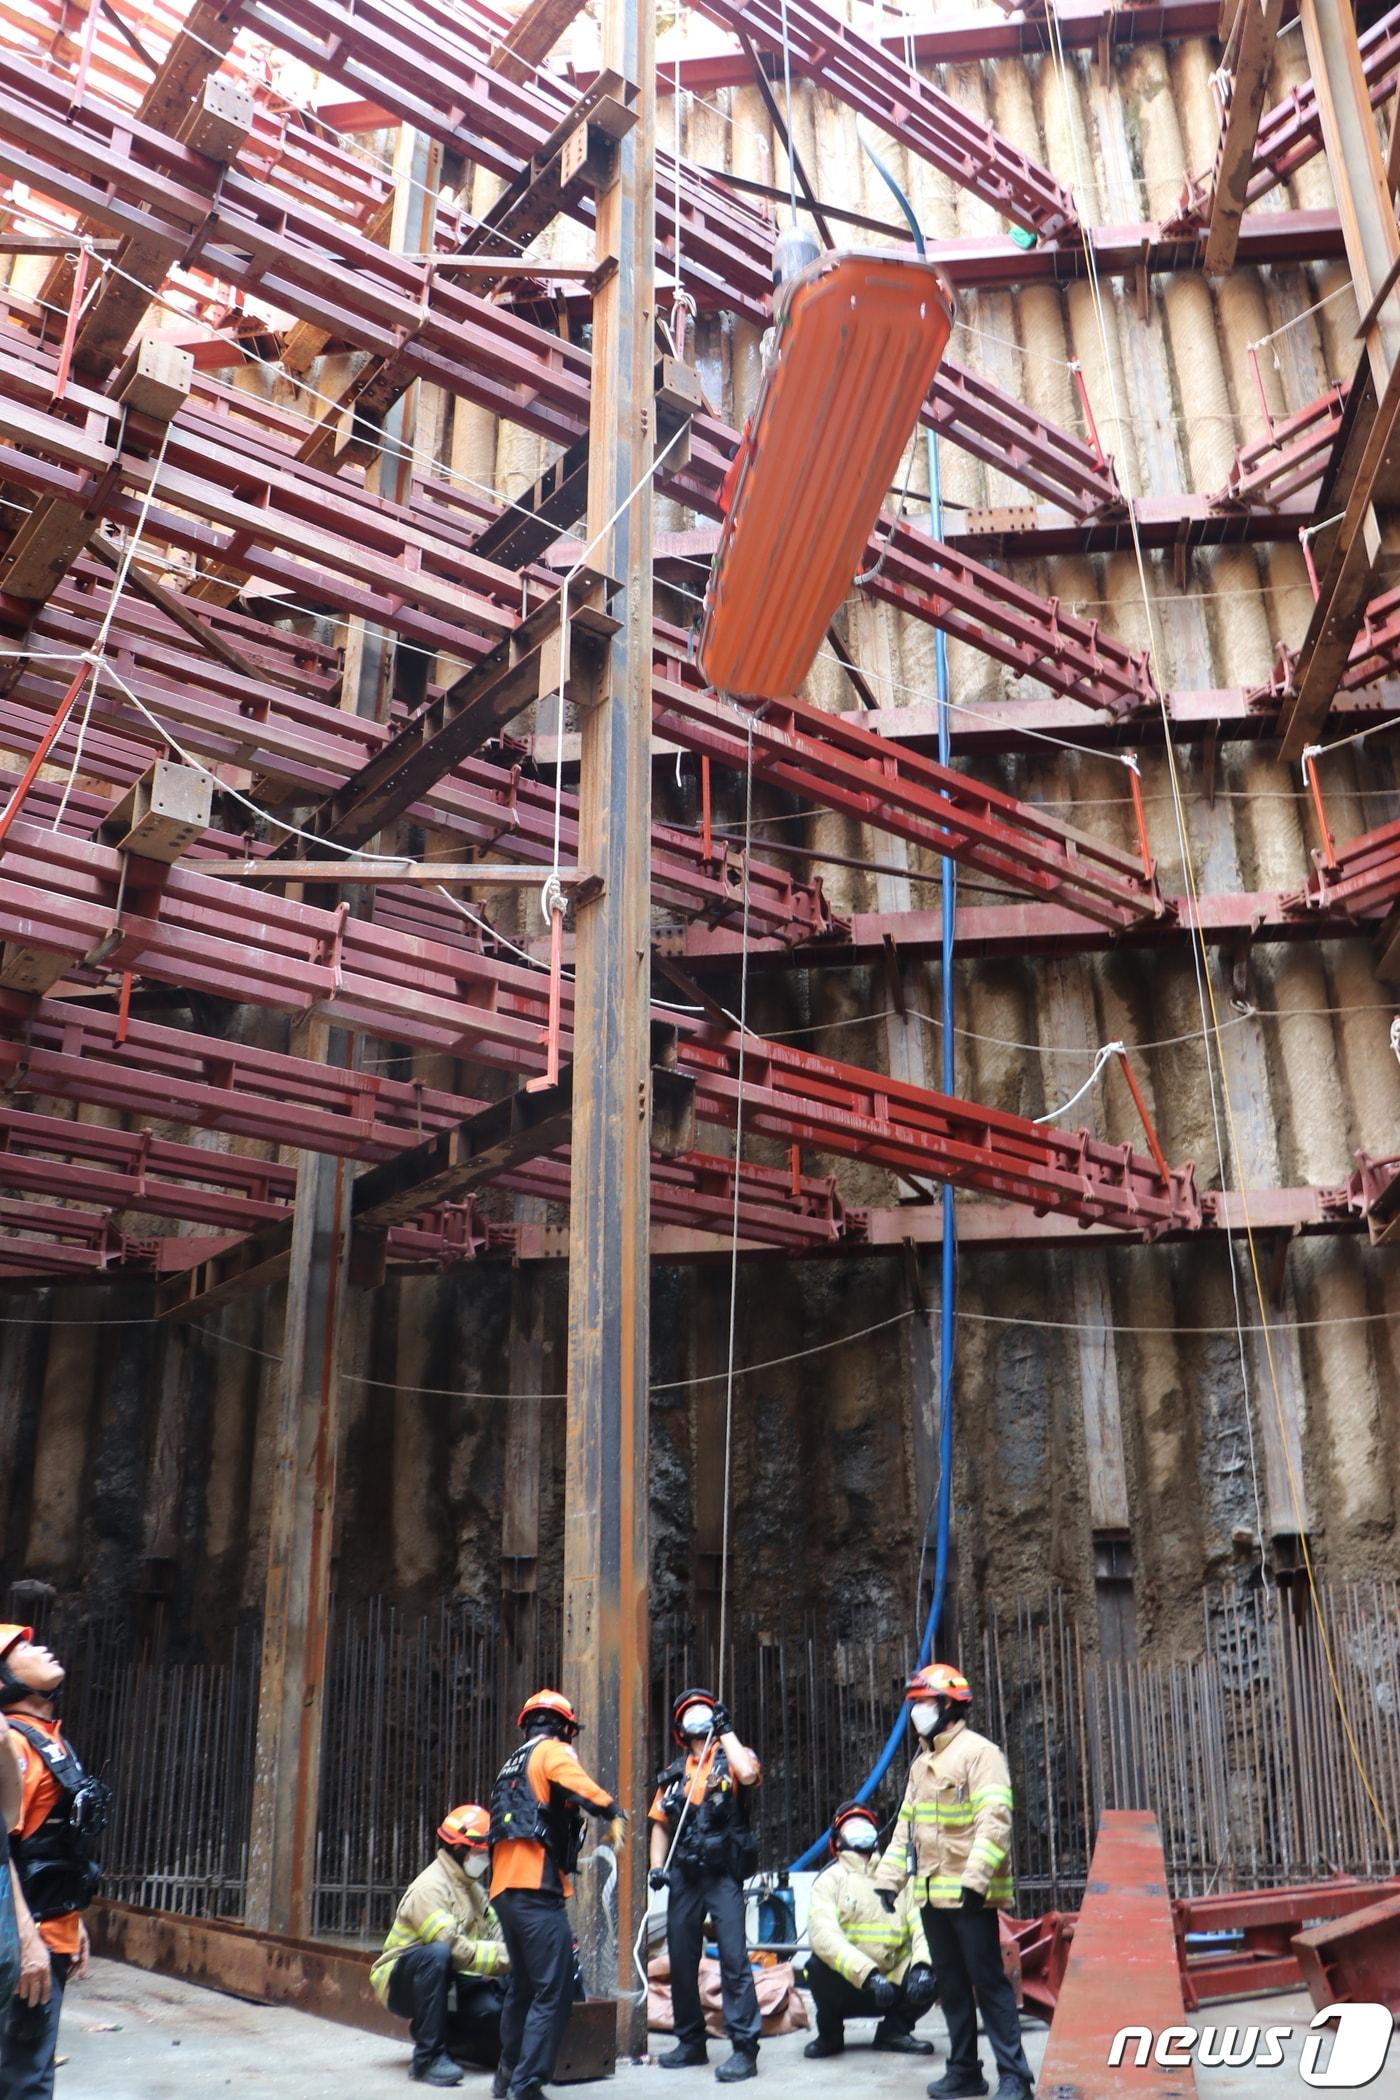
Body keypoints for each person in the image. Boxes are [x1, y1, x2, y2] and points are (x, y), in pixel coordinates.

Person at [873, 1663, 1034, 2100]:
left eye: (923, 1702)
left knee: (989, 1983)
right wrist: (889, 1881)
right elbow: (906, 1828)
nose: (917, 1711)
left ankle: (1015, 2077)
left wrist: (976, 1877)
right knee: (952, 1987)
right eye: (915, 1704)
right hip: (930, 1895)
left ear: (948, 1704)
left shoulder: (980, 1754)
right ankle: (964, 2070)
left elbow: (995, 1819)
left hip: (969, 1897)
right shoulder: (922, 1764)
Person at [488, 1690, 624, 2100]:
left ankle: (507, 2076)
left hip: (505, 1890)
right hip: (535, 1889)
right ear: (563, 1728)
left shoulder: (510, 1765)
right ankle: (526, 2086)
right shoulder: (550, 1753)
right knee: (556, 1988)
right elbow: (579, 1785)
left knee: (524, 1987)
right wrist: (611, 1809)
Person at [0, 1624, 110, 2100]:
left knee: (33, 2071)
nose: (39, 1647)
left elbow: (52, 1846)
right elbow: (3, 1853)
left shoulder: (48, 1739)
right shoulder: (17, 1748)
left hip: (53, 1928)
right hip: (30, 1942)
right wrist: (27, 1941)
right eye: (21, 1649)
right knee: (24, 2082)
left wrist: (72, 1917)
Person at [648, 1687, 762, 2085]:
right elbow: (660, 1825)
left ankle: (744, 2048)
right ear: (680, 1727)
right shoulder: (674, 1774)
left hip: (722, 1873)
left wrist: (725, 1729)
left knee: (733, 1957)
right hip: (685, 1875)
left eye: (704, 1711)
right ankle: (690, 2042)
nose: (697, 1715)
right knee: (680, 1958)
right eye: (690, 1712)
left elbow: (748, 1774)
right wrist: (656, 1868)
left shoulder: (732, 1759)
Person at [371, 1803, 509, 2088]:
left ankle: (439, 2033)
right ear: (459, 1849)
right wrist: (509, 1958)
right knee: (436, 1954)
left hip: (449, 1977)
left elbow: (495, 1929)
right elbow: (454, 1947)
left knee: (493, 2014)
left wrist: (515, 1952)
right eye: (480, 1851)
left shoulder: (472, 1888)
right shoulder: (430, 1888)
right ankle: (427, 2057)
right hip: (400, 1980)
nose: (485, 1858)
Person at [803, 1799, 937, 2060]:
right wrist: (868, 1975)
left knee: (939, 1964)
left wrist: (922, 1967)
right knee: (817, 1967)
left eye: (865, 1825)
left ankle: (894, 2032)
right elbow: (824, 1935)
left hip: (893, 1985)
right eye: (851, 1826)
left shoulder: (897, 1880)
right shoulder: (829, 1881)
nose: (860, 1830)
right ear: (837, 1841)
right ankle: (830, 2035)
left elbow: (924, 1926)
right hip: (850, 1985)